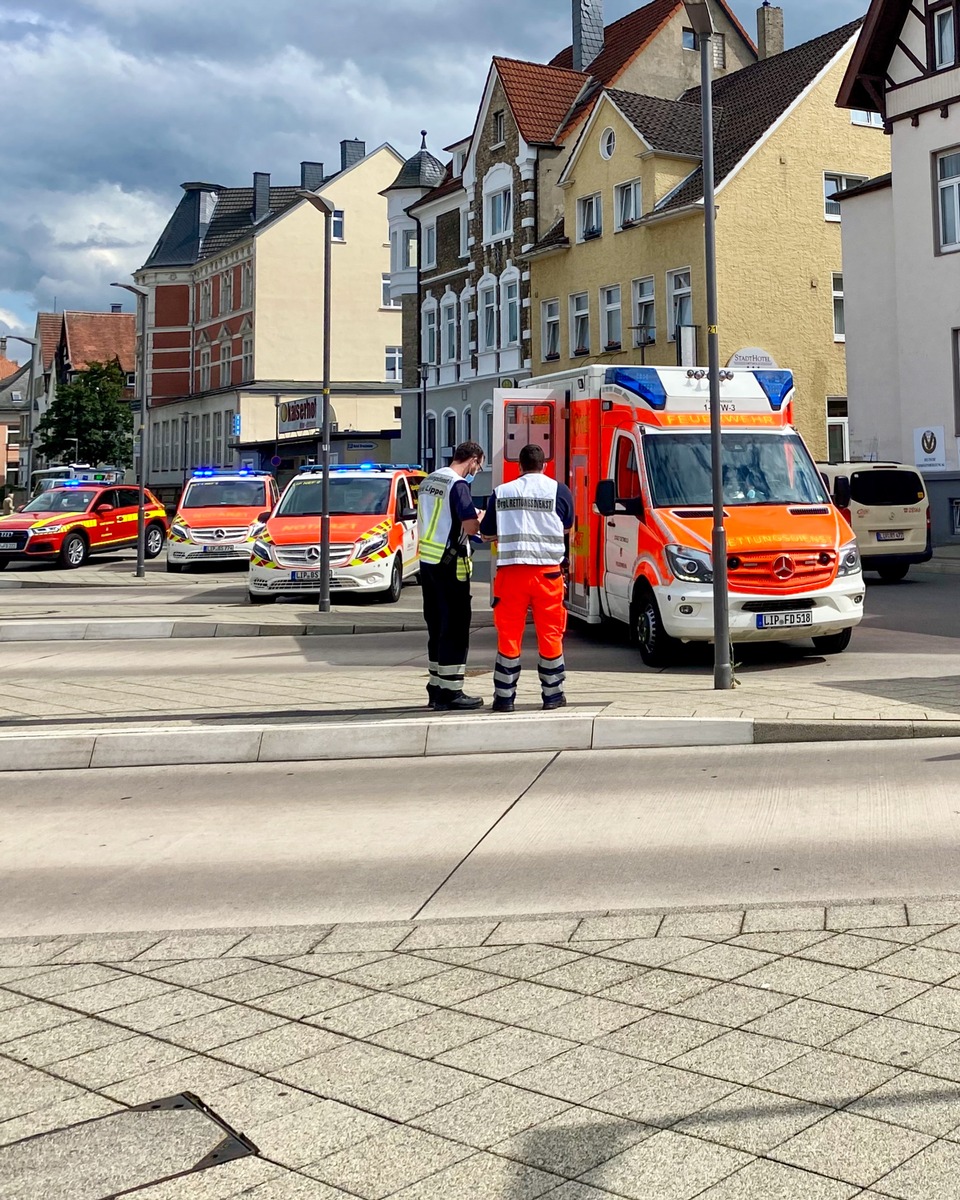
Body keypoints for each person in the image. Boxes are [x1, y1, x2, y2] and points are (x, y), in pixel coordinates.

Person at [480, 443, 574, 712]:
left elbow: (487, 532)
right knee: (551, 635)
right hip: (548, 575)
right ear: (544, 466)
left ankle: (504, 698)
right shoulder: (560, 491)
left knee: (508, 636)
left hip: (511, 574)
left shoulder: (502, 492)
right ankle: (553, 696)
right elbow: (566, 526)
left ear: (519, 467)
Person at [417, 440, 485, 711]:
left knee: (436, 628)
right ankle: (452, 691)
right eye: (478, 465)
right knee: (455, 629)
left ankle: (436, 688)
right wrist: (483, 519)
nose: (476, 470)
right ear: (473, 460)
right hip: (451, 565)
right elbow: (470, 525)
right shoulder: (458, 486)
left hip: (428, 563)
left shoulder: (429, 481)